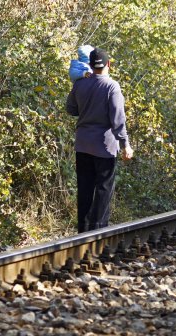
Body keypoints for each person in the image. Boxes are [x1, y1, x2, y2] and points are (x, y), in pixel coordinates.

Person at [66, 48, 134, 233]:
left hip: (82, 145)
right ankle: (99, 232)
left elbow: (71, 109)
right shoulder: (112, 87)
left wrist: (87, 108)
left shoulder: (80, 84)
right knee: (104, 189)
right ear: (108, 64)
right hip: (105, 147)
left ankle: (83, 232)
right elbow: (118, 119)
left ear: (90, 64)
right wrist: (125, 144)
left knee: (84, 189)